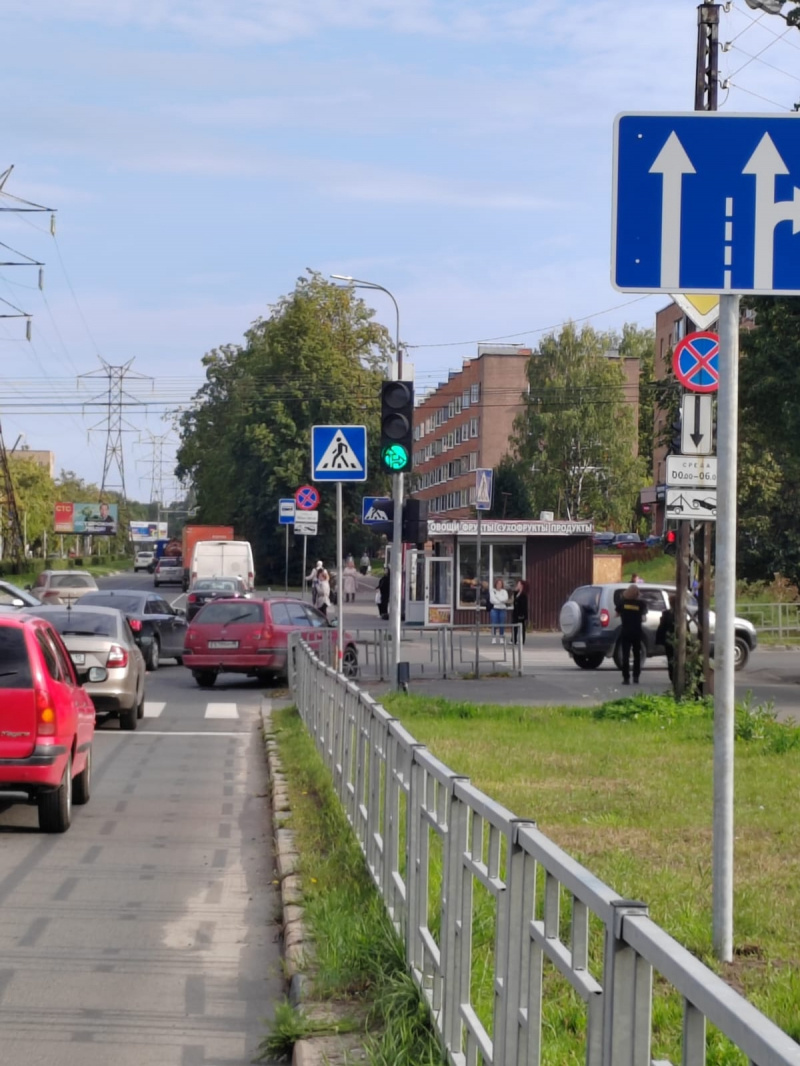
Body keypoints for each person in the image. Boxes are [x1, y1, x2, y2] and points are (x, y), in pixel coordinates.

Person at [616, 583, 648, 684]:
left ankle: (626, 678)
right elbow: (644, 616)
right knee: (637, 655)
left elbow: (617, 614)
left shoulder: (622, 603)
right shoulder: (641, 604)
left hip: (625, 631)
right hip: (637, 631)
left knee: (625, 655)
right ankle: (636, 677)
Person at [656, 593, 676, 680]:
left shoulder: (666, 614)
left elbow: (661, 628)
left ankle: (672, 676)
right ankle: (675, 676)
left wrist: (660, 640)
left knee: (670, 658)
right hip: (676, 639)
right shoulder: (682, 614)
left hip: (669, 639)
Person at [489, 578, 509, 644]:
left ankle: (501, 637)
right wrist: (500, 600)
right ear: (496, 584)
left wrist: (497, 597)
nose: (499, 585)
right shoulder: (492, 591)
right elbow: (492, 600)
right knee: (494, 623)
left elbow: (505, 599)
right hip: (495, 609)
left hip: (502, 609)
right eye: (498, 584)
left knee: (502, 624)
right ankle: (493, 637)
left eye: (500, 584)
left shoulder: (504, 591)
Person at [511, 579, 529, 645]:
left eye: (518, 584)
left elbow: (524, 606)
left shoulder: (524, 595)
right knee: (514, 627)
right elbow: (514, 601)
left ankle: (522, 640)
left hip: (521, 614)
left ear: (522, 585)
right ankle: (513, 639)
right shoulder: (516, 593)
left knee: (521, 628)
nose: (517, 585)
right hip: (515, 612)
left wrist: (523, 615)